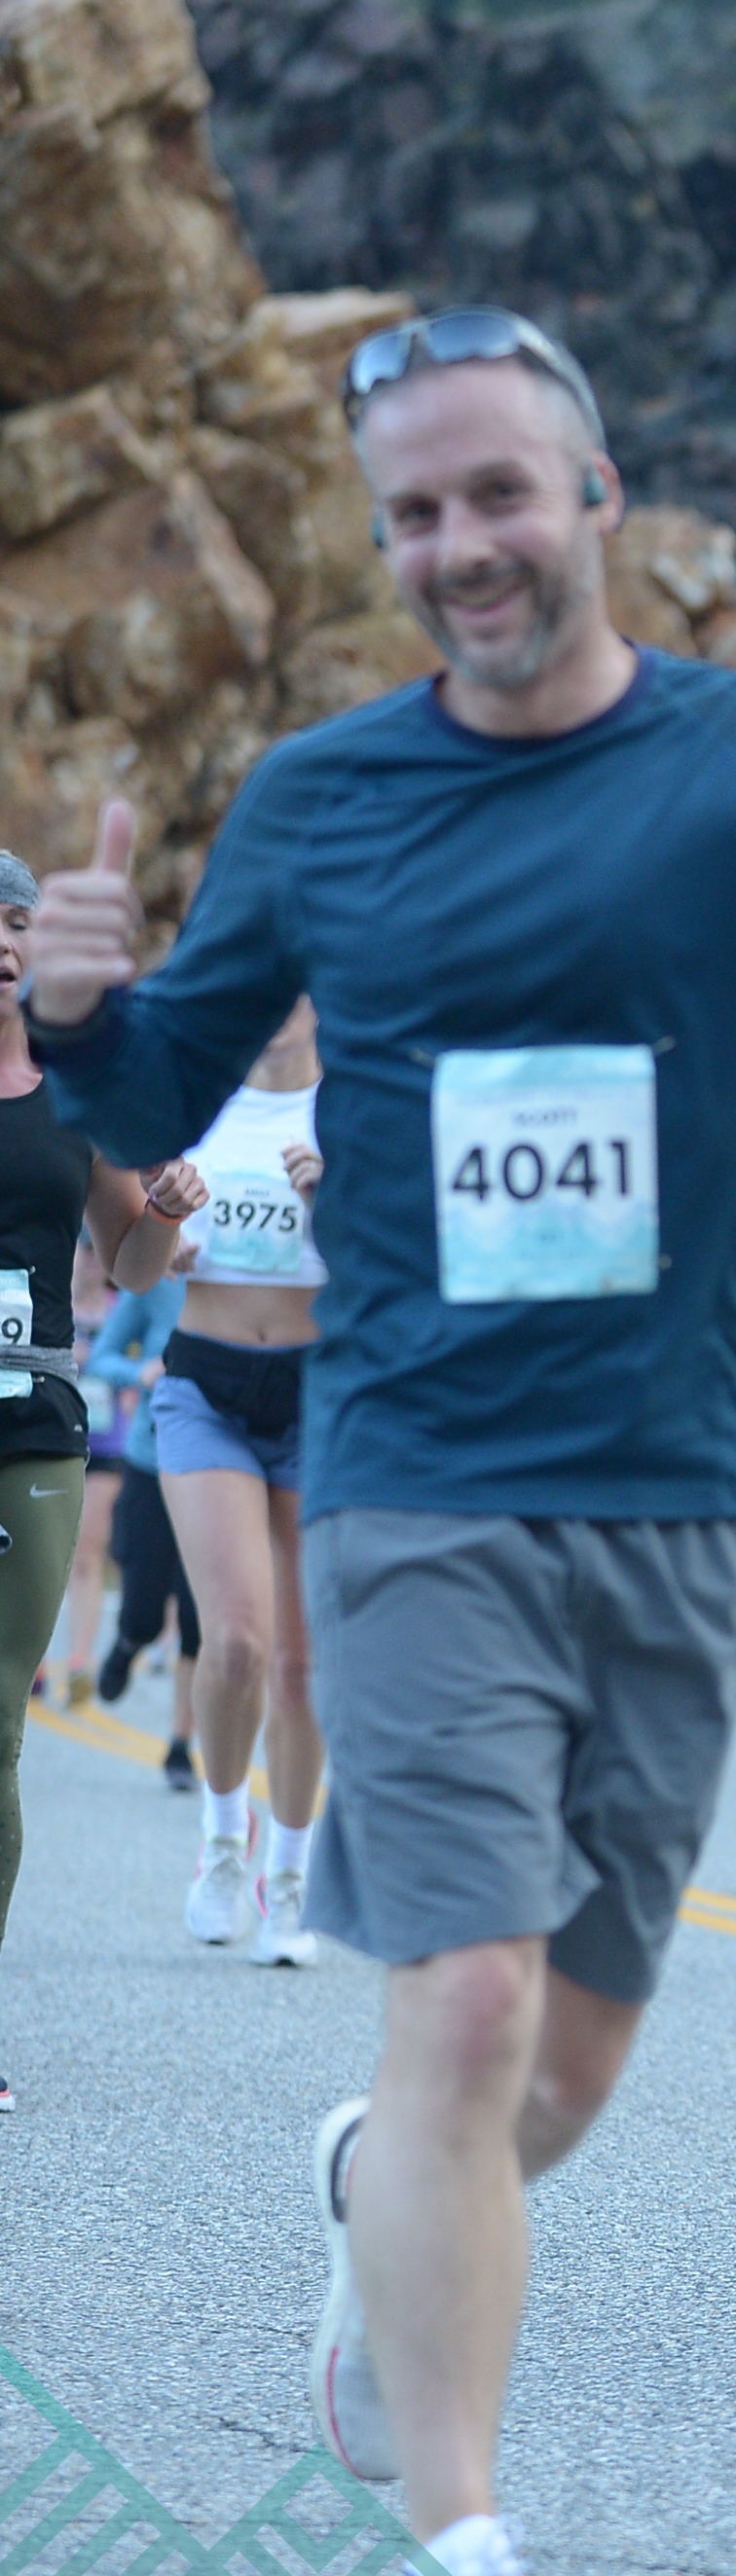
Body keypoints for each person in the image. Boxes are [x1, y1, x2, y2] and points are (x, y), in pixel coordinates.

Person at [24, 304, 736, 2576]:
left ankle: (375, 2193)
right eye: (415, 513)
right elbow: (161, 1083)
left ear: (594, 498)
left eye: (499, 492)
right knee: (468, 2003)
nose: (460, 544)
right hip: (412, 1478)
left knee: (550, 2075)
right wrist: (75, 1015)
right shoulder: (324, 800)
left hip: (679, 1493)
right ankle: (460, 2571)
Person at [0, 849, 202, 2118]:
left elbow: (128, 1261)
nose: (1, 939)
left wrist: (165, 1212)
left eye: (18, 920)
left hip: (33, 1420)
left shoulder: (71, 1093)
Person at [156, 998, 327, 1963]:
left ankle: (289, 1883)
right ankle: (225, 1839)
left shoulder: (353, 1108)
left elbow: (401, 1262)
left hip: (319, 1396)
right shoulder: (197, 1100)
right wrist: (163, 1235)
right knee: (235, 1643)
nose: (278, 1007)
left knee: (305, 1662)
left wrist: (336, 1201)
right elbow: (130, 1259)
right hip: (207, 1388)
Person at [88, 1264, 202, 1787]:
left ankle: (180, 1745)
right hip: (150, 1461)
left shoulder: (247, 1282)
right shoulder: (160, 1283)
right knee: (144, 1611)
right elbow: (103, 1354)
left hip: (212, 1469)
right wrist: (142, 1372)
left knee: (200, 1621)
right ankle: (129, 1641)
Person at [59, 1233, 126, 1703]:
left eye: (99, 1254)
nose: (91, 1262)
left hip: (104, 1445)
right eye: (86, 1251)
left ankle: (79, 1662)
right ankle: (32, 1662)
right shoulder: (52, 1306)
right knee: (45, 1554)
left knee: (87, 1555)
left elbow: (143, 1359)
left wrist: (107, 1366)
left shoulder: (121, 1309)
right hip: (56, 1439)